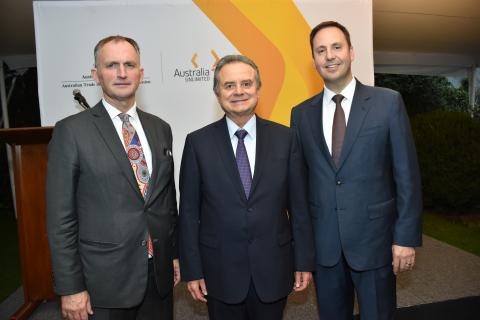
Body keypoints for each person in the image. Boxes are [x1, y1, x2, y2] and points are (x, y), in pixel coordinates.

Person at [290, 21, 422, 320]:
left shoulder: (387, 103)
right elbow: (298, 186)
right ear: (313, 60)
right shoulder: (301, 114)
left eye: (336, 47)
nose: (329, 56)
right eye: (320, 50)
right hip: (325, 248)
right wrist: (302, 250)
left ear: (351, 51)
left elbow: (407, 176)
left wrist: (405, 237)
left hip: (375, 242)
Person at [46, 35, 180, 320]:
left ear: (140, 74)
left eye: (129, 65)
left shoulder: (161, 129)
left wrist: (175, 254)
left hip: (158, 277)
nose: (122, 73)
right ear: (96, 74)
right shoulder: (71, 131)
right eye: (112, 65)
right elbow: (60, 218)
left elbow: (167, 201)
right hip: (102, 285)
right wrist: (70, 287)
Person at [179, 54, 315, 320]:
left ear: (258, 88)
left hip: (274, 268)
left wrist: (303, 261)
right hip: (219, 272)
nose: (238, 91)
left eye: (246, 83)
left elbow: (299, 207)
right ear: (217, 93)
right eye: (229, 85)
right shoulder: (198, 143)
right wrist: (192, 269)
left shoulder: (286, 139)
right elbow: (188, 213)